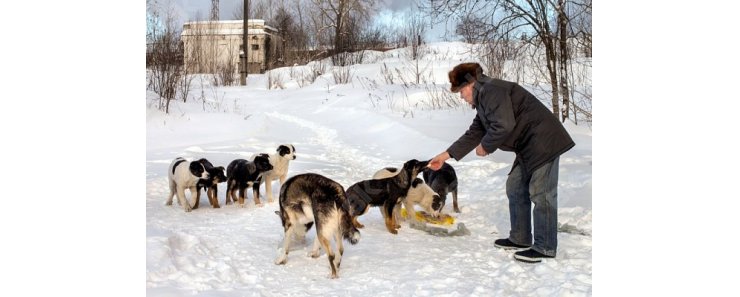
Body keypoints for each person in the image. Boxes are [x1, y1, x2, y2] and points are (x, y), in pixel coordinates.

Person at [428, 62, 575, 263]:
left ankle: (545, 247)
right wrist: (445, 156)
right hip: (528, 146)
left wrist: (486, 146)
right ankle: (520, 238)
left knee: (541, 193)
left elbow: (503, 125)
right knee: (515, 187)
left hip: (544, 141)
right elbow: (475, 133)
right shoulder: (484, 100)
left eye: (461, 91)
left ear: (470, 83)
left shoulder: (492, 90)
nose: (461, 97)